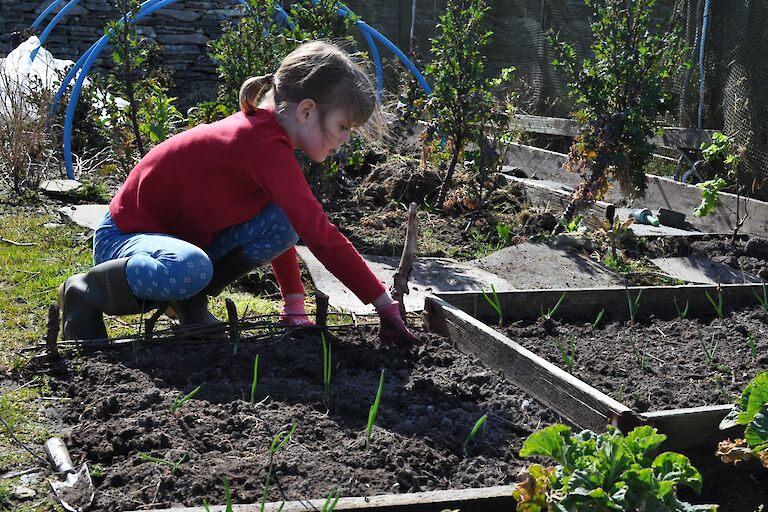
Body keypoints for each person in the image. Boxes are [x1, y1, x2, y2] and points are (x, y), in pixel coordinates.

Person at [58, 40, 419, 347]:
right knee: (191, 267)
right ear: (307, 111)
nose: (344, 140)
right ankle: (84, 293)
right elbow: (320, 235)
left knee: (280, 222)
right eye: (343, 126)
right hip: (124, 239)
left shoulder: (269, 141)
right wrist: (383, 304)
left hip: (173, 243)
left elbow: (289, 223)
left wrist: (295, 304)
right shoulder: (262, 146)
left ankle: (187, 301)